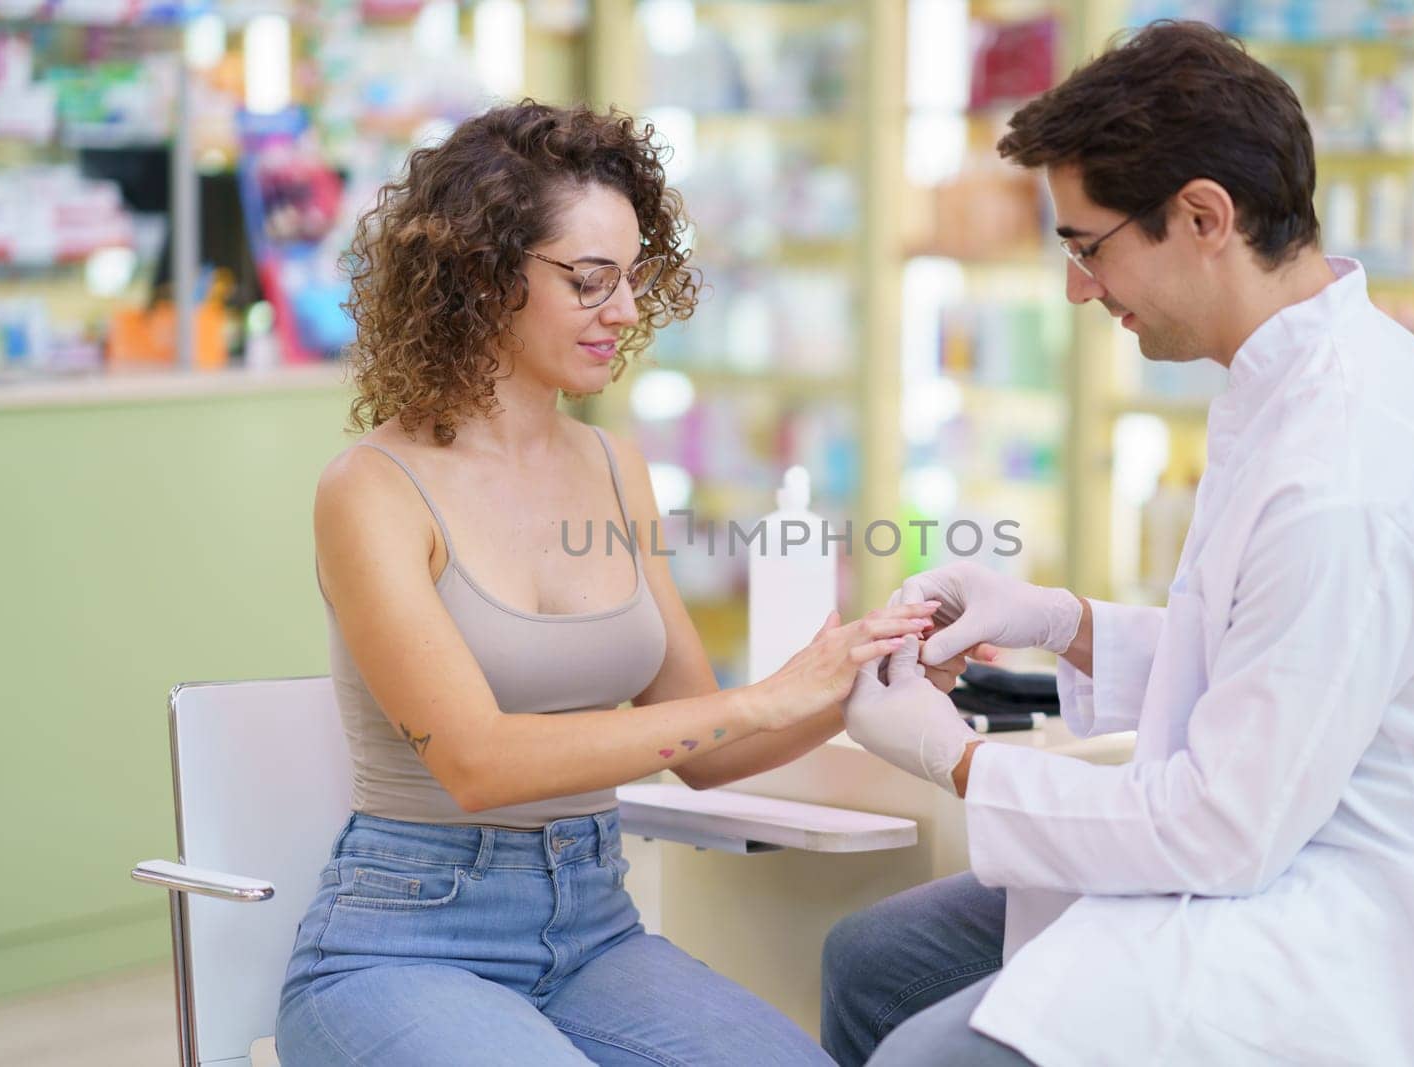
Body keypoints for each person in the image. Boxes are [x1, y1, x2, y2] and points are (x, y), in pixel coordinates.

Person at [828, 21, 1414, 1067]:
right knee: (875, 957)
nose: (1079, 289)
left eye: (1087, 247)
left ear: (1202, 216)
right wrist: (1061, 623)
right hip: (1286, 844)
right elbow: (1272, 657)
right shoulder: (1295, 378)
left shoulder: (1343, 468)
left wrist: (953, 757)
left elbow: (1220, 827)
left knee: (929, 1052)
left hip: (1365, 927)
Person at [274, 100, 947, 1066]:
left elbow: (704, 746)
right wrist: (761, 700)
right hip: (404, 938)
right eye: (590, 282)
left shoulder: (614, 467)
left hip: (592, 926)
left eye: (633, 279)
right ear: (481, 274)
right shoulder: (373, 489)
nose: (627, 312)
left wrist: (866, 673)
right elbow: (480, 764)